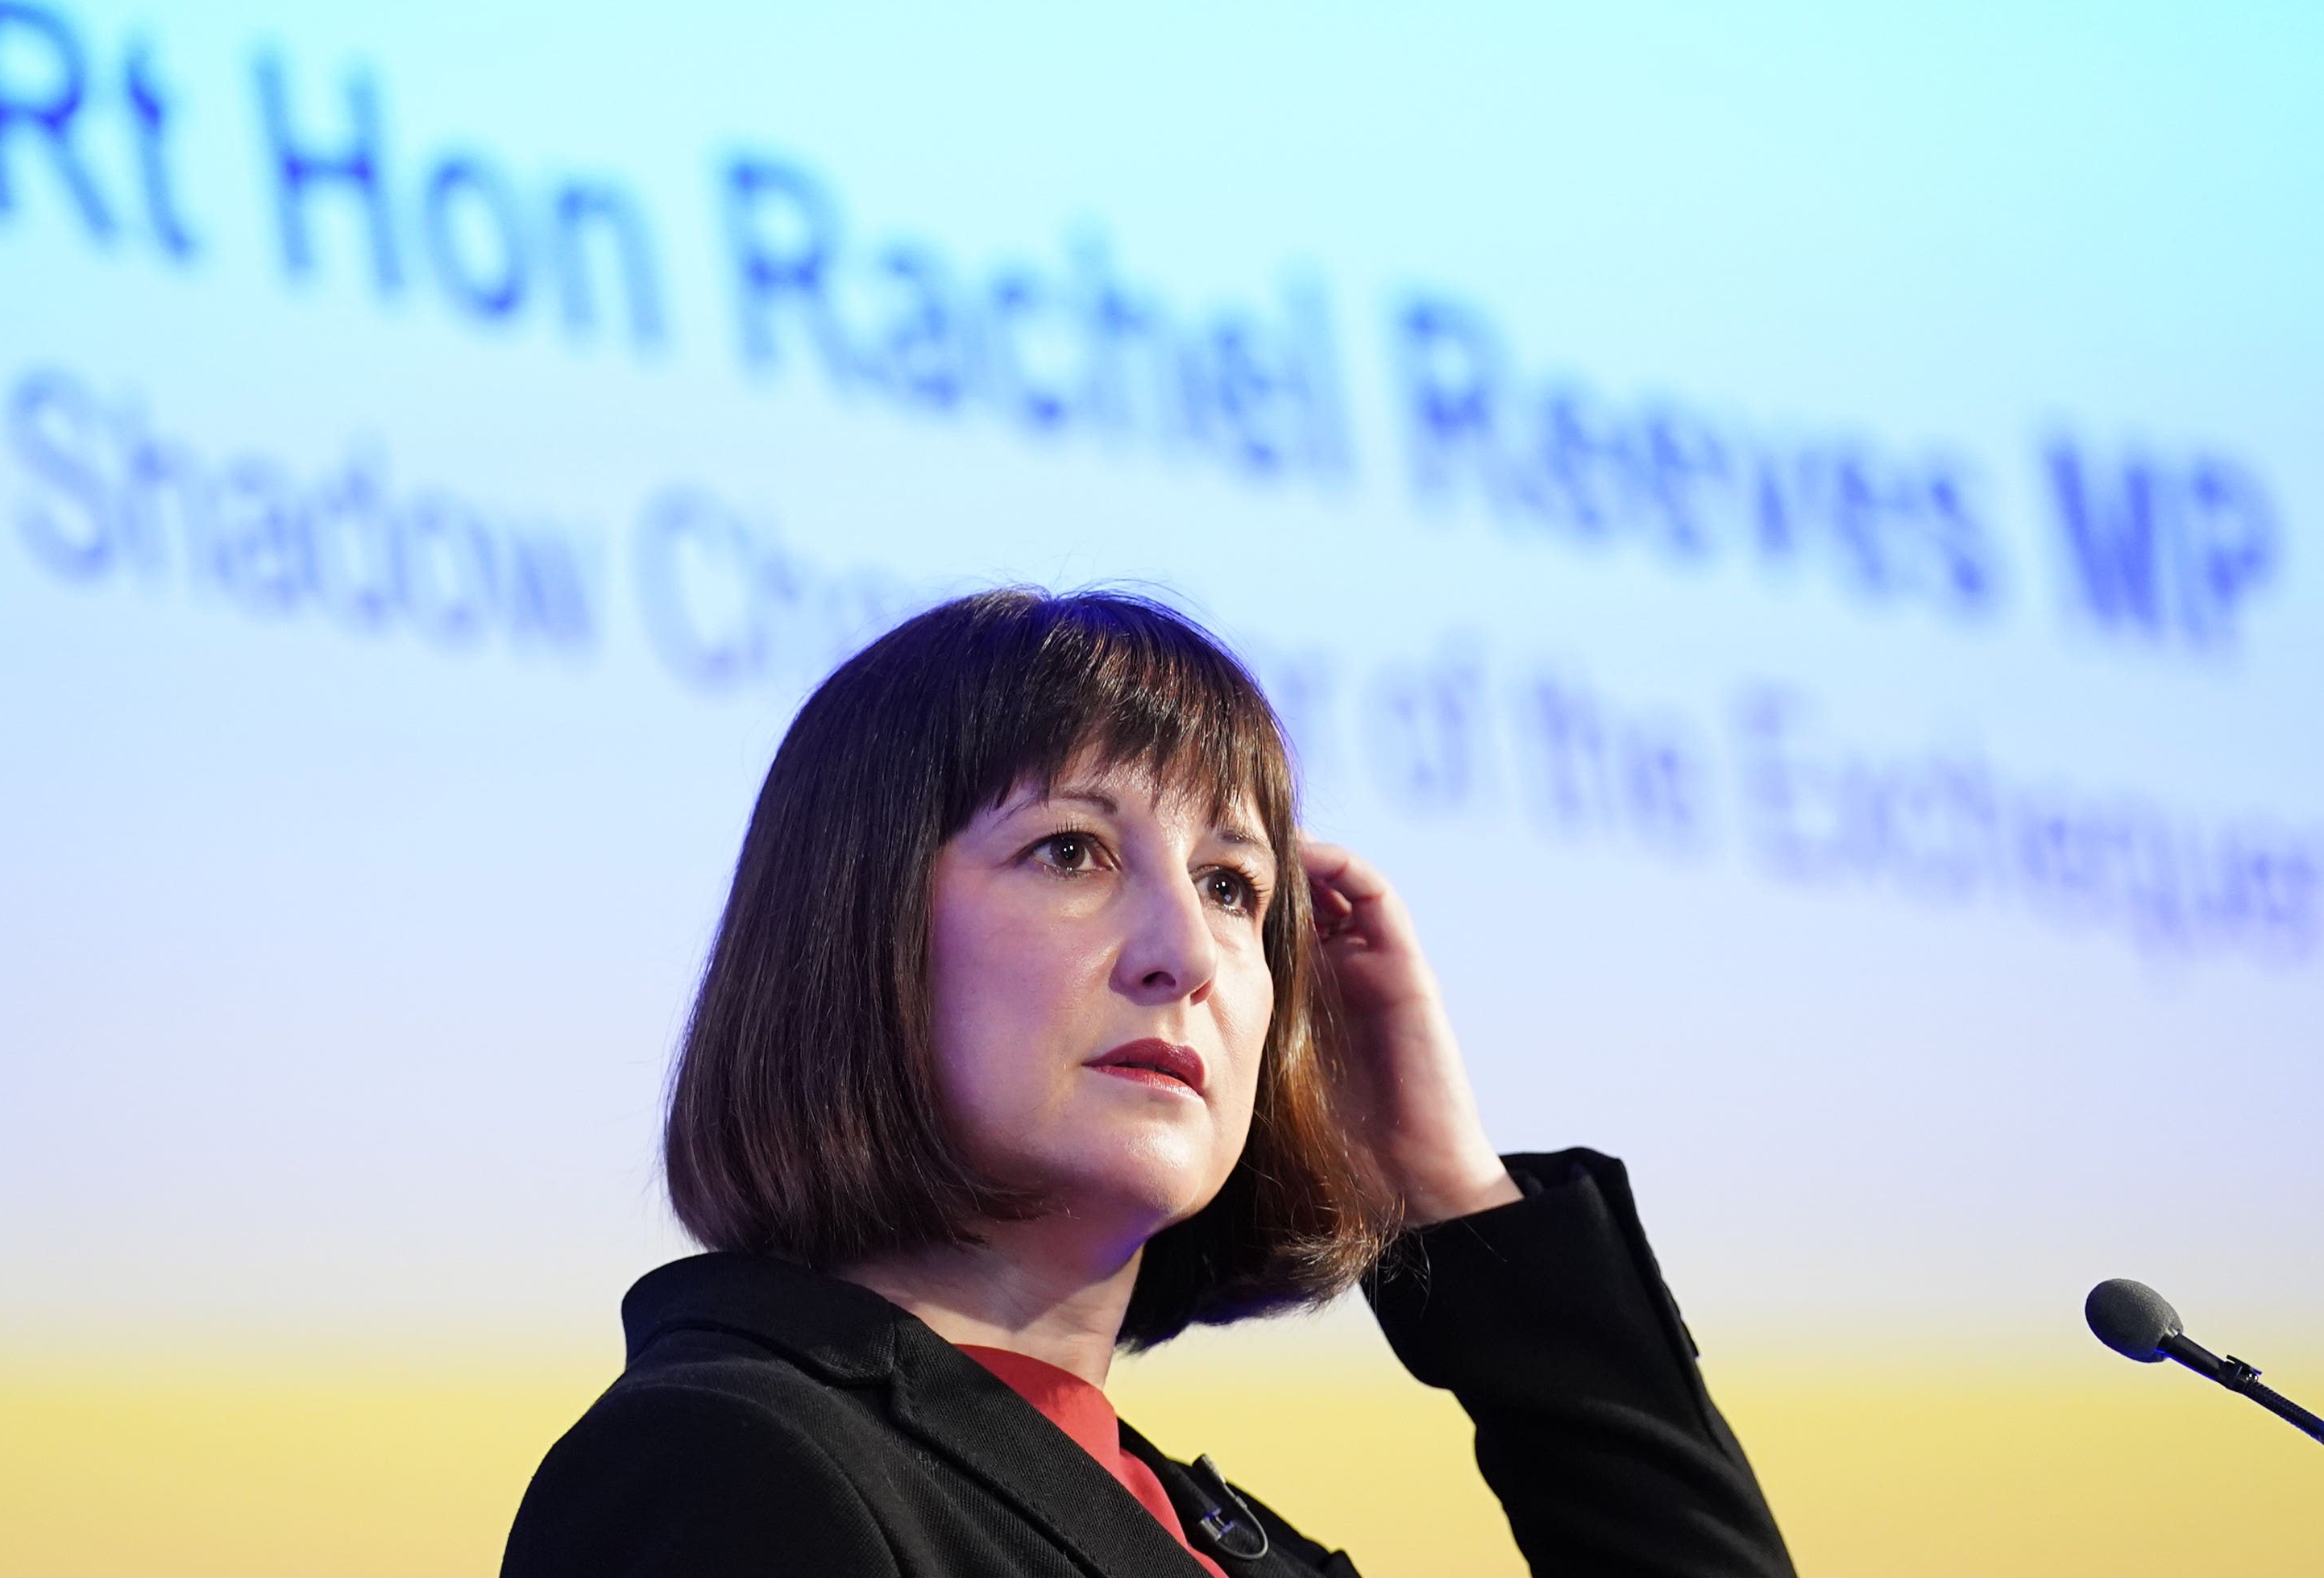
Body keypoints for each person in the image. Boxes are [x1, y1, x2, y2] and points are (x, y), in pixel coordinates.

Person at [502, 588, 1795, 1578]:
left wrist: (1445, 1192)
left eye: (1234, 886)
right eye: (1070, 851)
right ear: (856, 930)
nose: (1188, 955)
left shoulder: (1212, 1533)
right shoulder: (724, 1466)